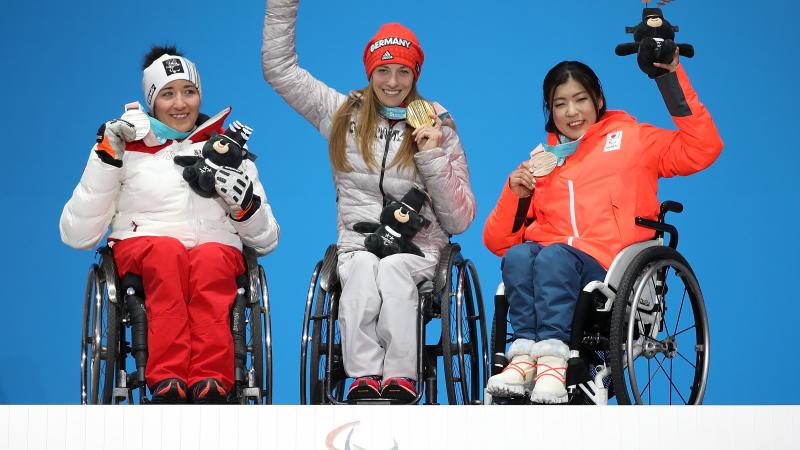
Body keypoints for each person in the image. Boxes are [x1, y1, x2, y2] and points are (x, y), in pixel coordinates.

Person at [262, 0, 475, 402]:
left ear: (415, 74)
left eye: (402, 71)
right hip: (358, 242)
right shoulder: (343, 113)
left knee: (393, 269)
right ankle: (362, 376)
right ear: (370, 72)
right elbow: (280, 71)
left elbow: (460, 219)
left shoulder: (438, 122)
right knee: (361, 268)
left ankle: (401, 376)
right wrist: (282, 6)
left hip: (420, 249)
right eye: (383, 70)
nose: (392, 82)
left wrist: (431, 153)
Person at [483, 55, 723, 404]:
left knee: (552, 259)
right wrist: (514, 193)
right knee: (520, 257)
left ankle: (552, 363)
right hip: (555, 264)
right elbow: (498, 242)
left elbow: (704, 148)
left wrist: (669, 80)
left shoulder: (633, 140)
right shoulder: (542, 164)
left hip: (609, 270)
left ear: (598, 99)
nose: (571, 111)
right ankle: (523, 359)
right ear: (550, 110)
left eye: (580, 99)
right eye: (560, 104)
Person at [60, 46, 280, 404]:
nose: (180, 103)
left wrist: (245, 206)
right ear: (151, 101)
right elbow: (77, 234)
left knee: (210, 261)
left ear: (200, 95)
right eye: (168, 93)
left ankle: (211, 379)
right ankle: (169, 379)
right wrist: (108, 155)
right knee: (167, 253)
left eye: (188, 91)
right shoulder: (123, 146)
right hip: (145, 245)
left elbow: (267, 239)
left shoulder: (228, 152)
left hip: (215, 249)